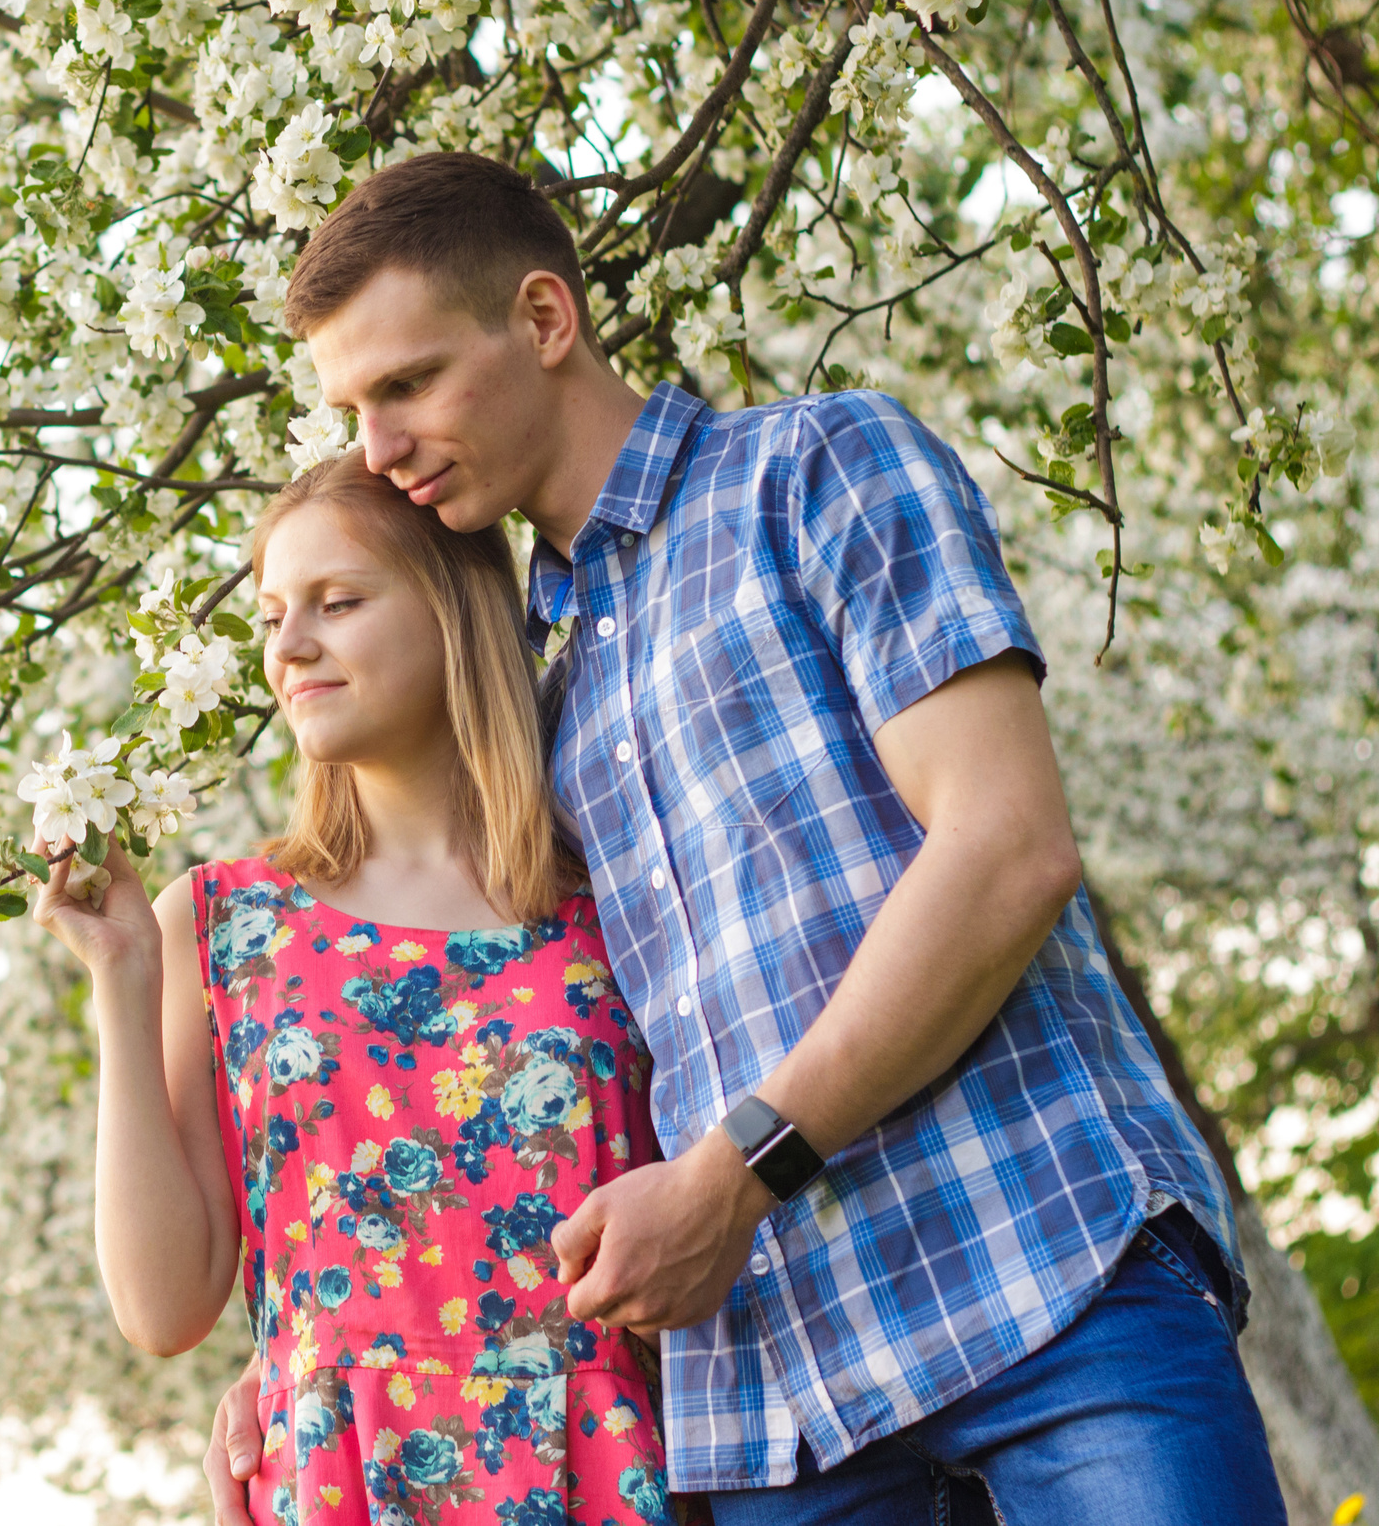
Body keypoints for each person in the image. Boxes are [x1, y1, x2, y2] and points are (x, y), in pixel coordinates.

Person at [198, 151, 1283, 1526]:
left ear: (545, 319)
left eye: (406, 383)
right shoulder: (529, 697)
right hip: (781, 1402)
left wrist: (735, 1173)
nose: (376, 447)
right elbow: (507, 1059)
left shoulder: (817, 468)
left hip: (1041, 1265)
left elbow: (1007, 846)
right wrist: (296, 1343)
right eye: (353, 407)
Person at [32, 456, 679, 1524]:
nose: (288, 648)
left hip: (600, 1473)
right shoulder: (224, 920)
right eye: (274, 614)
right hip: (340, 1475)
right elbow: (162, 1306)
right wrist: (121, 982)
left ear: (453, 612)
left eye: (337, 603)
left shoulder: (612, 895)